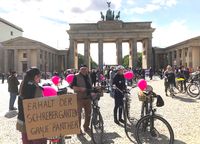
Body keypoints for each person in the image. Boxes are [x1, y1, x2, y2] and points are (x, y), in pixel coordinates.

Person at [16, 68, 47, 144]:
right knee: (38, 141)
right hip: (34, 122)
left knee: (26, 140)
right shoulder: (37, 88)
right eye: (40, 77)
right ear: (36, 77)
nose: (40, 79)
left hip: (22, 119)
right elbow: (40, 106)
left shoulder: (22, 85)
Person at [70, 64, 92, 134]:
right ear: (80, 69)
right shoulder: (76, 76)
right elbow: (72, 86)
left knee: (88, 113)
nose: (84, 70)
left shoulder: (88, 76)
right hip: (79, 98)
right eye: (82, 69)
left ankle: (86, 127)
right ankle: (78, 129)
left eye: (85, 69)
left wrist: (93, 91)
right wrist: (80, 89)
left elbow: (90, 87)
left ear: (87, 69)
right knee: (78, 114)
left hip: (88, 98)